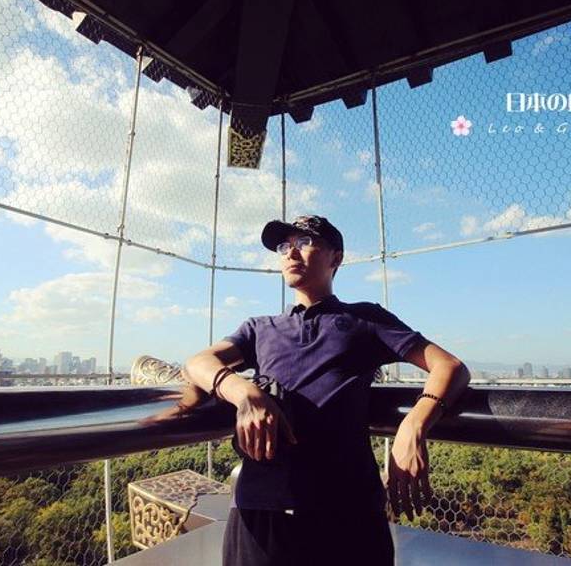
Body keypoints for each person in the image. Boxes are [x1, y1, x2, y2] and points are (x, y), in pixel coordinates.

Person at [184, 214, 471, 566]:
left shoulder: (365, 319)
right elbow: (198, 362)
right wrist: (245, 393)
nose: (291, 253)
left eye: (305, 242)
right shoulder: (259, 329)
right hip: (261, 511)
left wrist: (413, 424)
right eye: (284, 246)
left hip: (348, 513)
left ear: (336, 257)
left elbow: (449, 366)